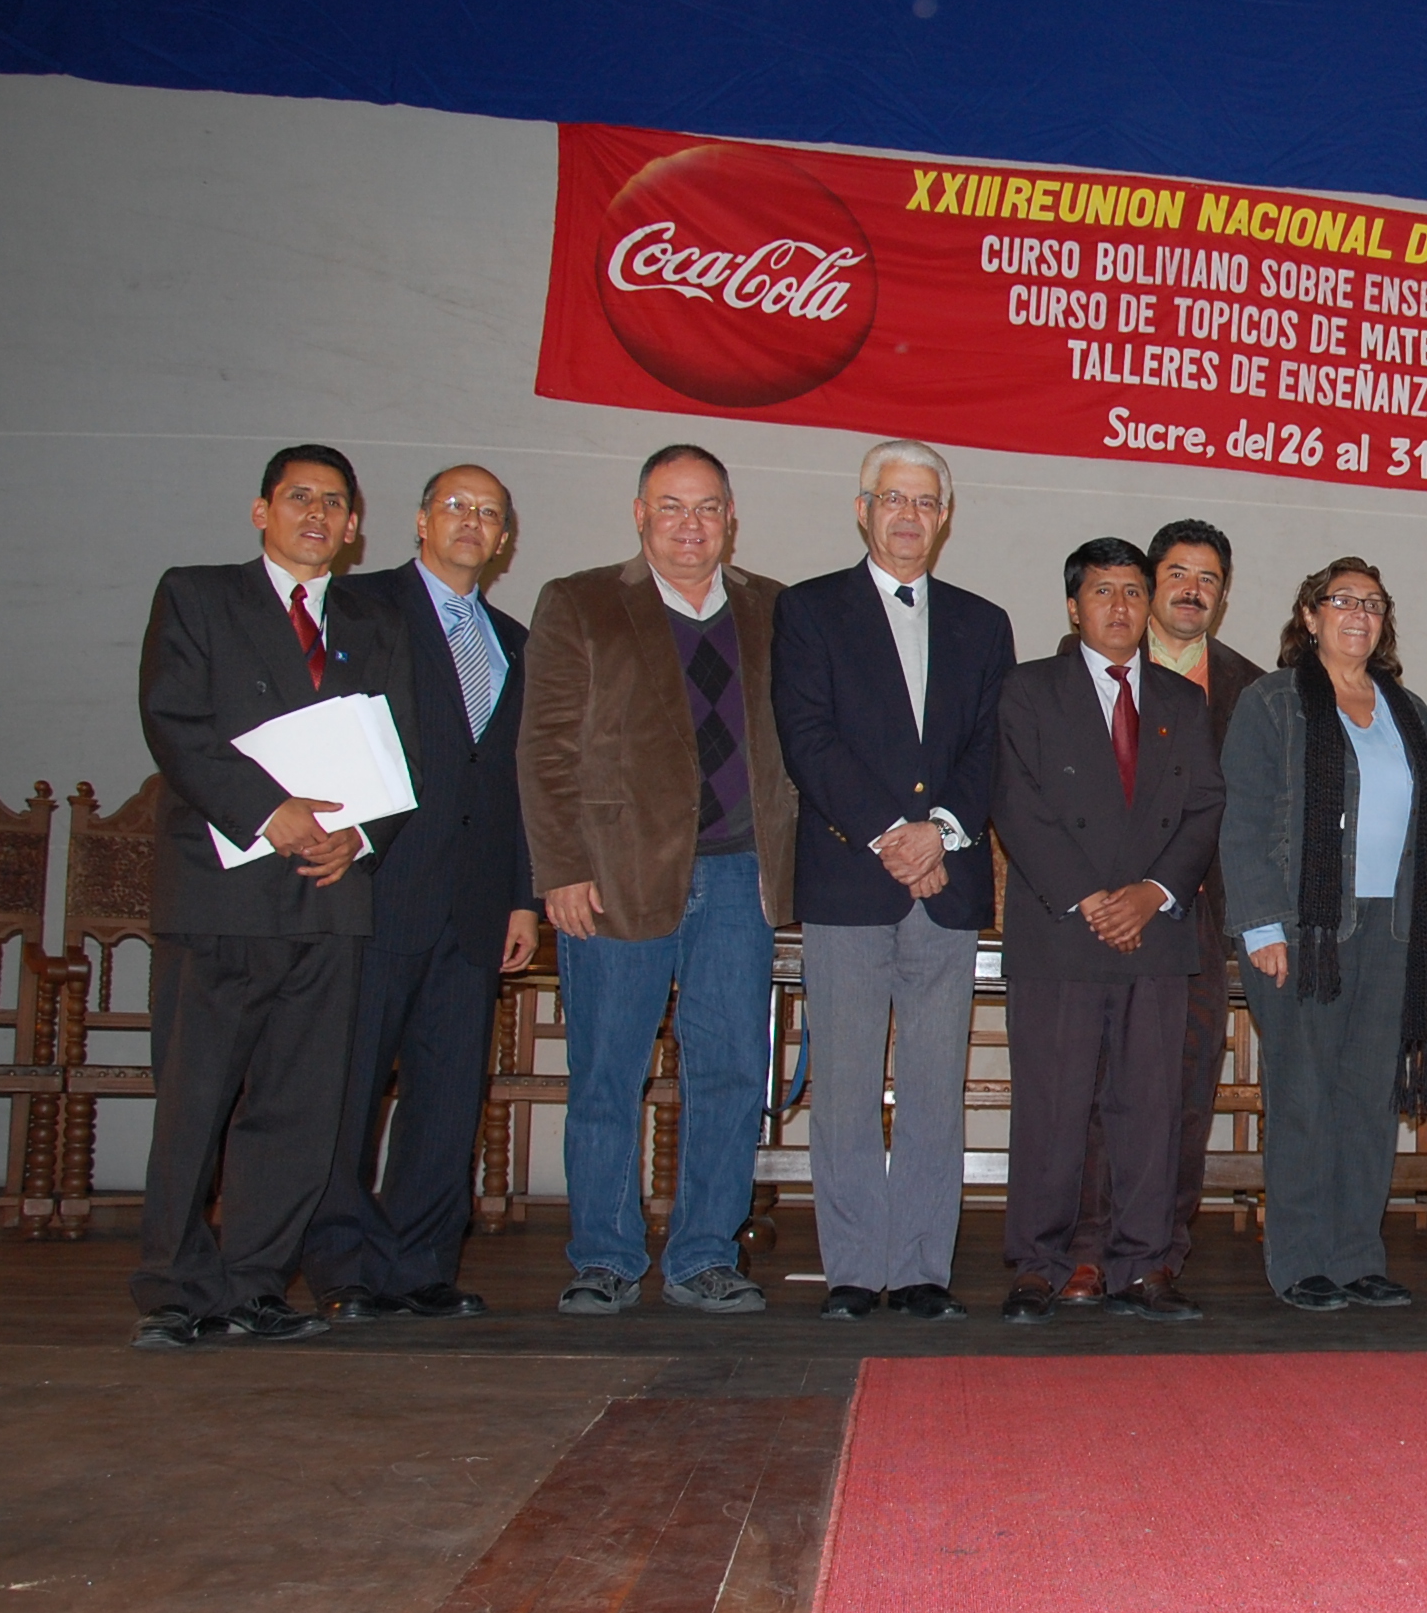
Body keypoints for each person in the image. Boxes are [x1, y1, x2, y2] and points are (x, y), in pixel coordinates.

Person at [129, 445, 416, 1348]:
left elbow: (401, 749)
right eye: (299, 498)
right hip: (224, 889)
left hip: (330, 895)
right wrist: (269, 811)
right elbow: (174, 723)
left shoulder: (374, 623)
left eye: (334, 502)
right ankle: (177, 1288)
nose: (317, 515)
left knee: (300, 1107)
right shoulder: (198, 596)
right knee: (196, 1099)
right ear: (262, 511)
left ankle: (254, 1283)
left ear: (354, 525)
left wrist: (361, 835)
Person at [518, 444, 796, 1317]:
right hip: (613, 880)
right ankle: (604, 1255)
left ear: (731, 519)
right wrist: (561, 869)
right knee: (608, 1074)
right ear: (640, 514)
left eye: (707, 507)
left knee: (731, 1075)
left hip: (740, 878)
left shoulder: (774, 608)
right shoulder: (581, 602)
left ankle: (704, 1255)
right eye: (671, 506)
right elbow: (545, 749)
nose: (689, 524)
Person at [771, 438, 1012, 1323]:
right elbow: (808, 739)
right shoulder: (808, 610)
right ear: (862, 509)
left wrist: (937, 833)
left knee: (934, 1088)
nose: (909, 515)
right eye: (893, 498)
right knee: (841, 1085)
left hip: (946, 884)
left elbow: (990, 747)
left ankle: (918, 1269)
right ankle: (851, 1270)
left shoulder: (983, 622)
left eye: (925, 502)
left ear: (945, 518)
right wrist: (889, 836)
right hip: (850, 879)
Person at [305, 465, 537, 1324]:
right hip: (376, 888)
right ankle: (343, 1266)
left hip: (475, 907)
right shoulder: (359, 607)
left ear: (505, 539)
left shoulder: (515, 640)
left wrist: (522, 896)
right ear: (419, 520)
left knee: (447, 1097)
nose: (472, 522)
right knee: (348, 1090)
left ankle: (421, 1266)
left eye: (489, 514)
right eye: (456, 507)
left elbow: (515, 779)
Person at [991, 538, 1225, 1323]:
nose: (1120, 606)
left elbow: (1204, 807)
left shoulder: (1182, 700)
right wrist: (1091, 898)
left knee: (1150, 1108)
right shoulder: (1028, 690)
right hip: (1062, 929)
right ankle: (1039, 1265)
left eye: (1132, 591)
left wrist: (1152, 893)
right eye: (1102, 591)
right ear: (1073, 606)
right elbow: (1015, 802)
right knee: (1053, 1108)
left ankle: (1143, 1265)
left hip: (1155, 932)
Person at [1220, 557, 1427, 1311]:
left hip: (1393, 930)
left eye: (1372, 603)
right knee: (1304, 1096)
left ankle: (1356, 1256)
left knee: (1368, 1099)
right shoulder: (1272, 702)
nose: (1359, 613)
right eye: (1342, 600)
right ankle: (1300, 1260)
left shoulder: (1407, 709)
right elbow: (1243, 820)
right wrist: (1260, 926)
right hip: (1303, 931)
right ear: (1310, 615)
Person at [1057, 517, 1263, 1304]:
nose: (1192, 590)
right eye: (1177, 573)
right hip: (1098, 910)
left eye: (1209, 578)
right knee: (1094, 1087)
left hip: (1197, 913)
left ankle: (1158, 1250)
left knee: (1182, 1088)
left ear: (1224, 594)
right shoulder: (1084, 667)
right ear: (1147, 586)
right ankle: (1085, 1249)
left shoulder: (1251, 687)